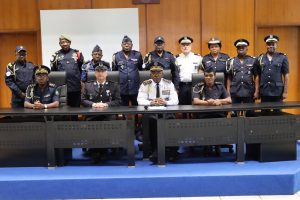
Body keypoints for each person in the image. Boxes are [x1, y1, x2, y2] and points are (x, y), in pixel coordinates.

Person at [137, 62, 179, 163]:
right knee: (152, 121)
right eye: (153, 72)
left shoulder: (169, 84)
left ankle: (172, 149)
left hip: (166, 111)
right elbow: (140, 100)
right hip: (151, 111)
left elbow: (175, 100)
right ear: (150, 74)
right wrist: (151, 102)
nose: (156, 74)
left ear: (163, 74)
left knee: (170, 121)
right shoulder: (145, 84)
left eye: (159, 72)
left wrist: (165, 102)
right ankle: (156, 149)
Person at [81, 63, 121, 163]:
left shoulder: (114, 85)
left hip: (108, 115)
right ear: (95, 74)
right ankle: (95, 150)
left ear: (106, 73)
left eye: (103, 72)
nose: (100, 74)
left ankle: (103, 150)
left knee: (106, 126)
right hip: (92, 115)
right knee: (93, 127)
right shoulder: (88, 85)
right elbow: (83, 99)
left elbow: (118, 101)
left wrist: (106, 104)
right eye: (98, 72)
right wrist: (93, 104)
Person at [192, 66, 232, 156]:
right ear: (204, 77)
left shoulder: (220, 86)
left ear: (215, 76)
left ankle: (217, 144)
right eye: (206, 76)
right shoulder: (199, 86)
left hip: (218, 114)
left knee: (219, 121)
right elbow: (195, 101)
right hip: (203, 115)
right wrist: (207, 102)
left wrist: (219, 101)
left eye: (211, 75)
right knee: (206, 122)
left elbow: (229, 100)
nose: (208, 78)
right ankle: (207, 145)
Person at [254, 34, 289, 115]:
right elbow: (257, 76)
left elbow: (286, 75)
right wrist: (257, 91)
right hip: (264, 91)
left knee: (278, 114)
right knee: (264, 114)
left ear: (276, 45)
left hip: (277, 91)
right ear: (266, 45)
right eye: (269, 44)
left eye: (273, 44)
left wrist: (285, 91)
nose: (271, 46)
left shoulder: (282, 57)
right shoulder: (260, 58)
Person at [226, 39, 259, 116]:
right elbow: (229, 78)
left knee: (250, 114)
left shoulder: (253, 60)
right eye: (239, 47)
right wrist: (228, 92)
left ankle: (250, 129)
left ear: (247, 49)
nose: (241, 48)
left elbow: (256, 76)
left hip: (249, 92)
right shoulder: (231, 61)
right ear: (236, 49)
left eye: (243, 47)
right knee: (234, 115)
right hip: (235, 92)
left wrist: (257, 91)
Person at [50, 34, 84, 107]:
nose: (65, 44)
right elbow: (53, 72)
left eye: (67, 42)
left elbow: (81, 69)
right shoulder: (56, 55)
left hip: (75, 86)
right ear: (59, 44)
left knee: (75, 109)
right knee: (62, 110)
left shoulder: (77, 53)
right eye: (62, 42)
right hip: (61, 87)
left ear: (70, 43)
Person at [112, 35, 143, 106]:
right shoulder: (116, 56)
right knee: (123, 108)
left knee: (137, 107)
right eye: (124, 44)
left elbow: (140, 68)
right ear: (121, 45)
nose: (126, 45)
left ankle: (136, 117)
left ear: (132, 45)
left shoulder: (137, 55)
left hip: (135, 87)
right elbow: (114, 71)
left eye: (128, 44)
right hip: (122, 87)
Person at [175, 36, 202, 106]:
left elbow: (201, 71)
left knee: (194, 105)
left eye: (187, 45)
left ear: (191, 45)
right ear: (180, 46)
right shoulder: (176, 58)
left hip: (194, 85)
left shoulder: (198, 58)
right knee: (182, 106)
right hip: (182, 86)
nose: (185, 47)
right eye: (183, 45)